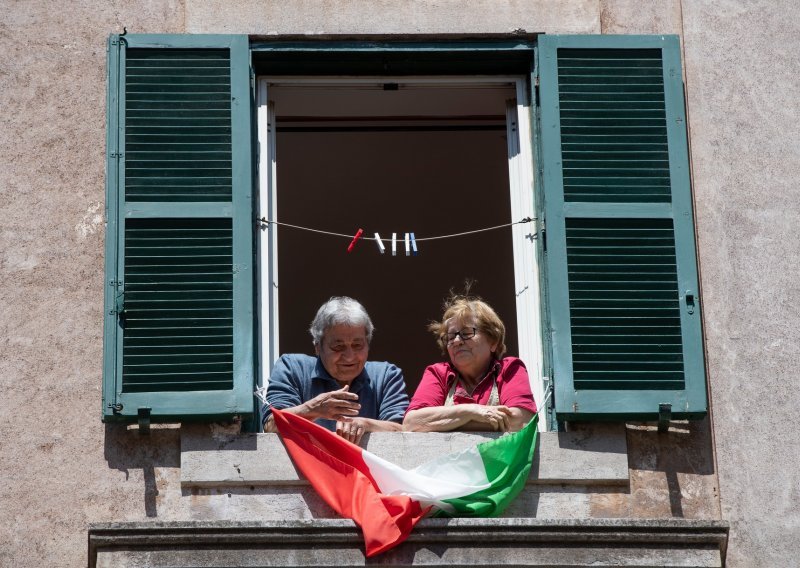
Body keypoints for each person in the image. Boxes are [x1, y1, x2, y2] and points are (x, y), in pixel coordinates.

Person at [261, 296, 409, 444]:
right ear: (318, 346)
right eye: (338, 347)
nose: (350, 357)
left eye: (357, 345)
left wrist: (364, 424)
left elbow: (404, 430)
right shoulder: (291, 367)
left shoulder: (386, 375)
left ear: (368, 344)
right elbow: (271, 425)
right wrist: (313, 409)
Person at [403, 295, 537, 432]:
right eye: (450, 336)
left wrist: (446, 423)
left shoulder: (509, 369)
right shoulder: (438, 373)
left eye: (466, 333)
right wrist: (471, 412)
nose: (456, 341)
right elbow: (412, 424)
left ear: (493, 342)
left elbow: (521, 421)